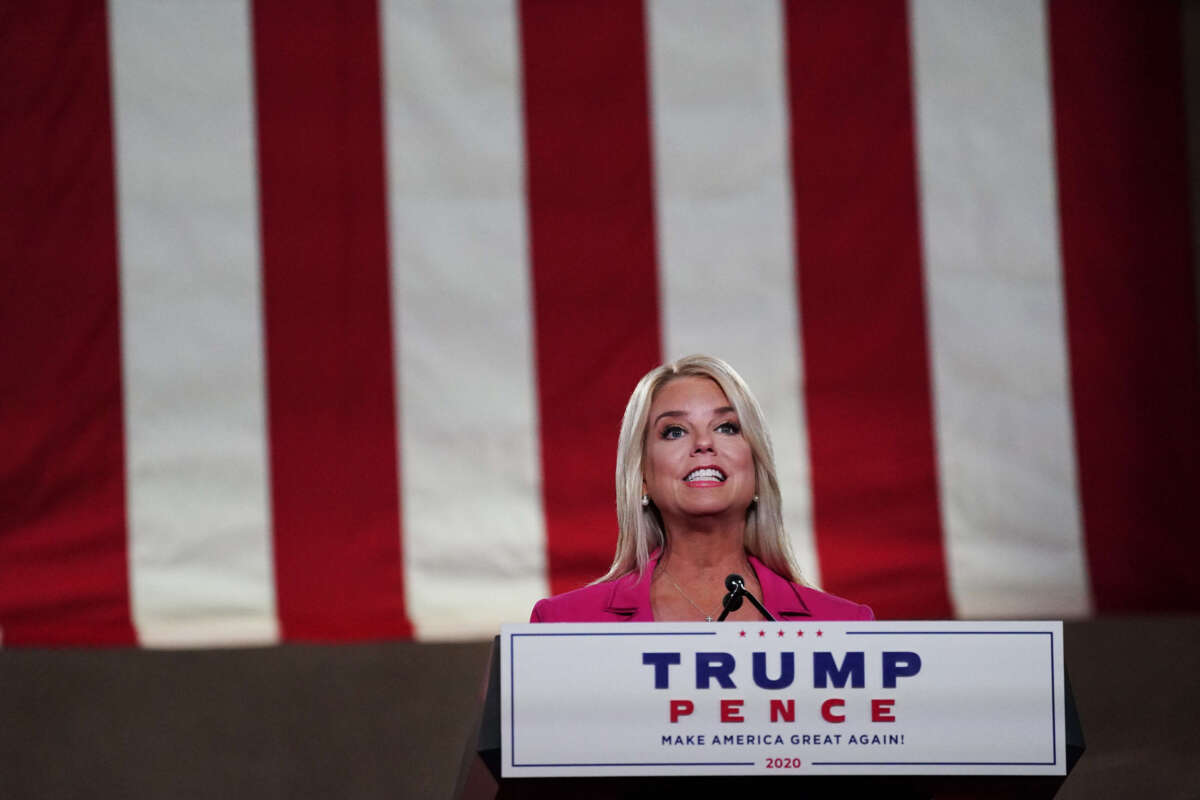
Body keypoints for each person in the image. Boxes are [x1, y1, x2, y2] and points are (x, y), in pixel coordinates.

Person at [530, 355, 872, 623]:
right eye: (675, 431)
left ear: (756, 467)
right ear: (642, 477)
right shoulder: (562, 625)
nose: (704, 443)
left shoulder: (843, 626)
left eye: (726, 427)